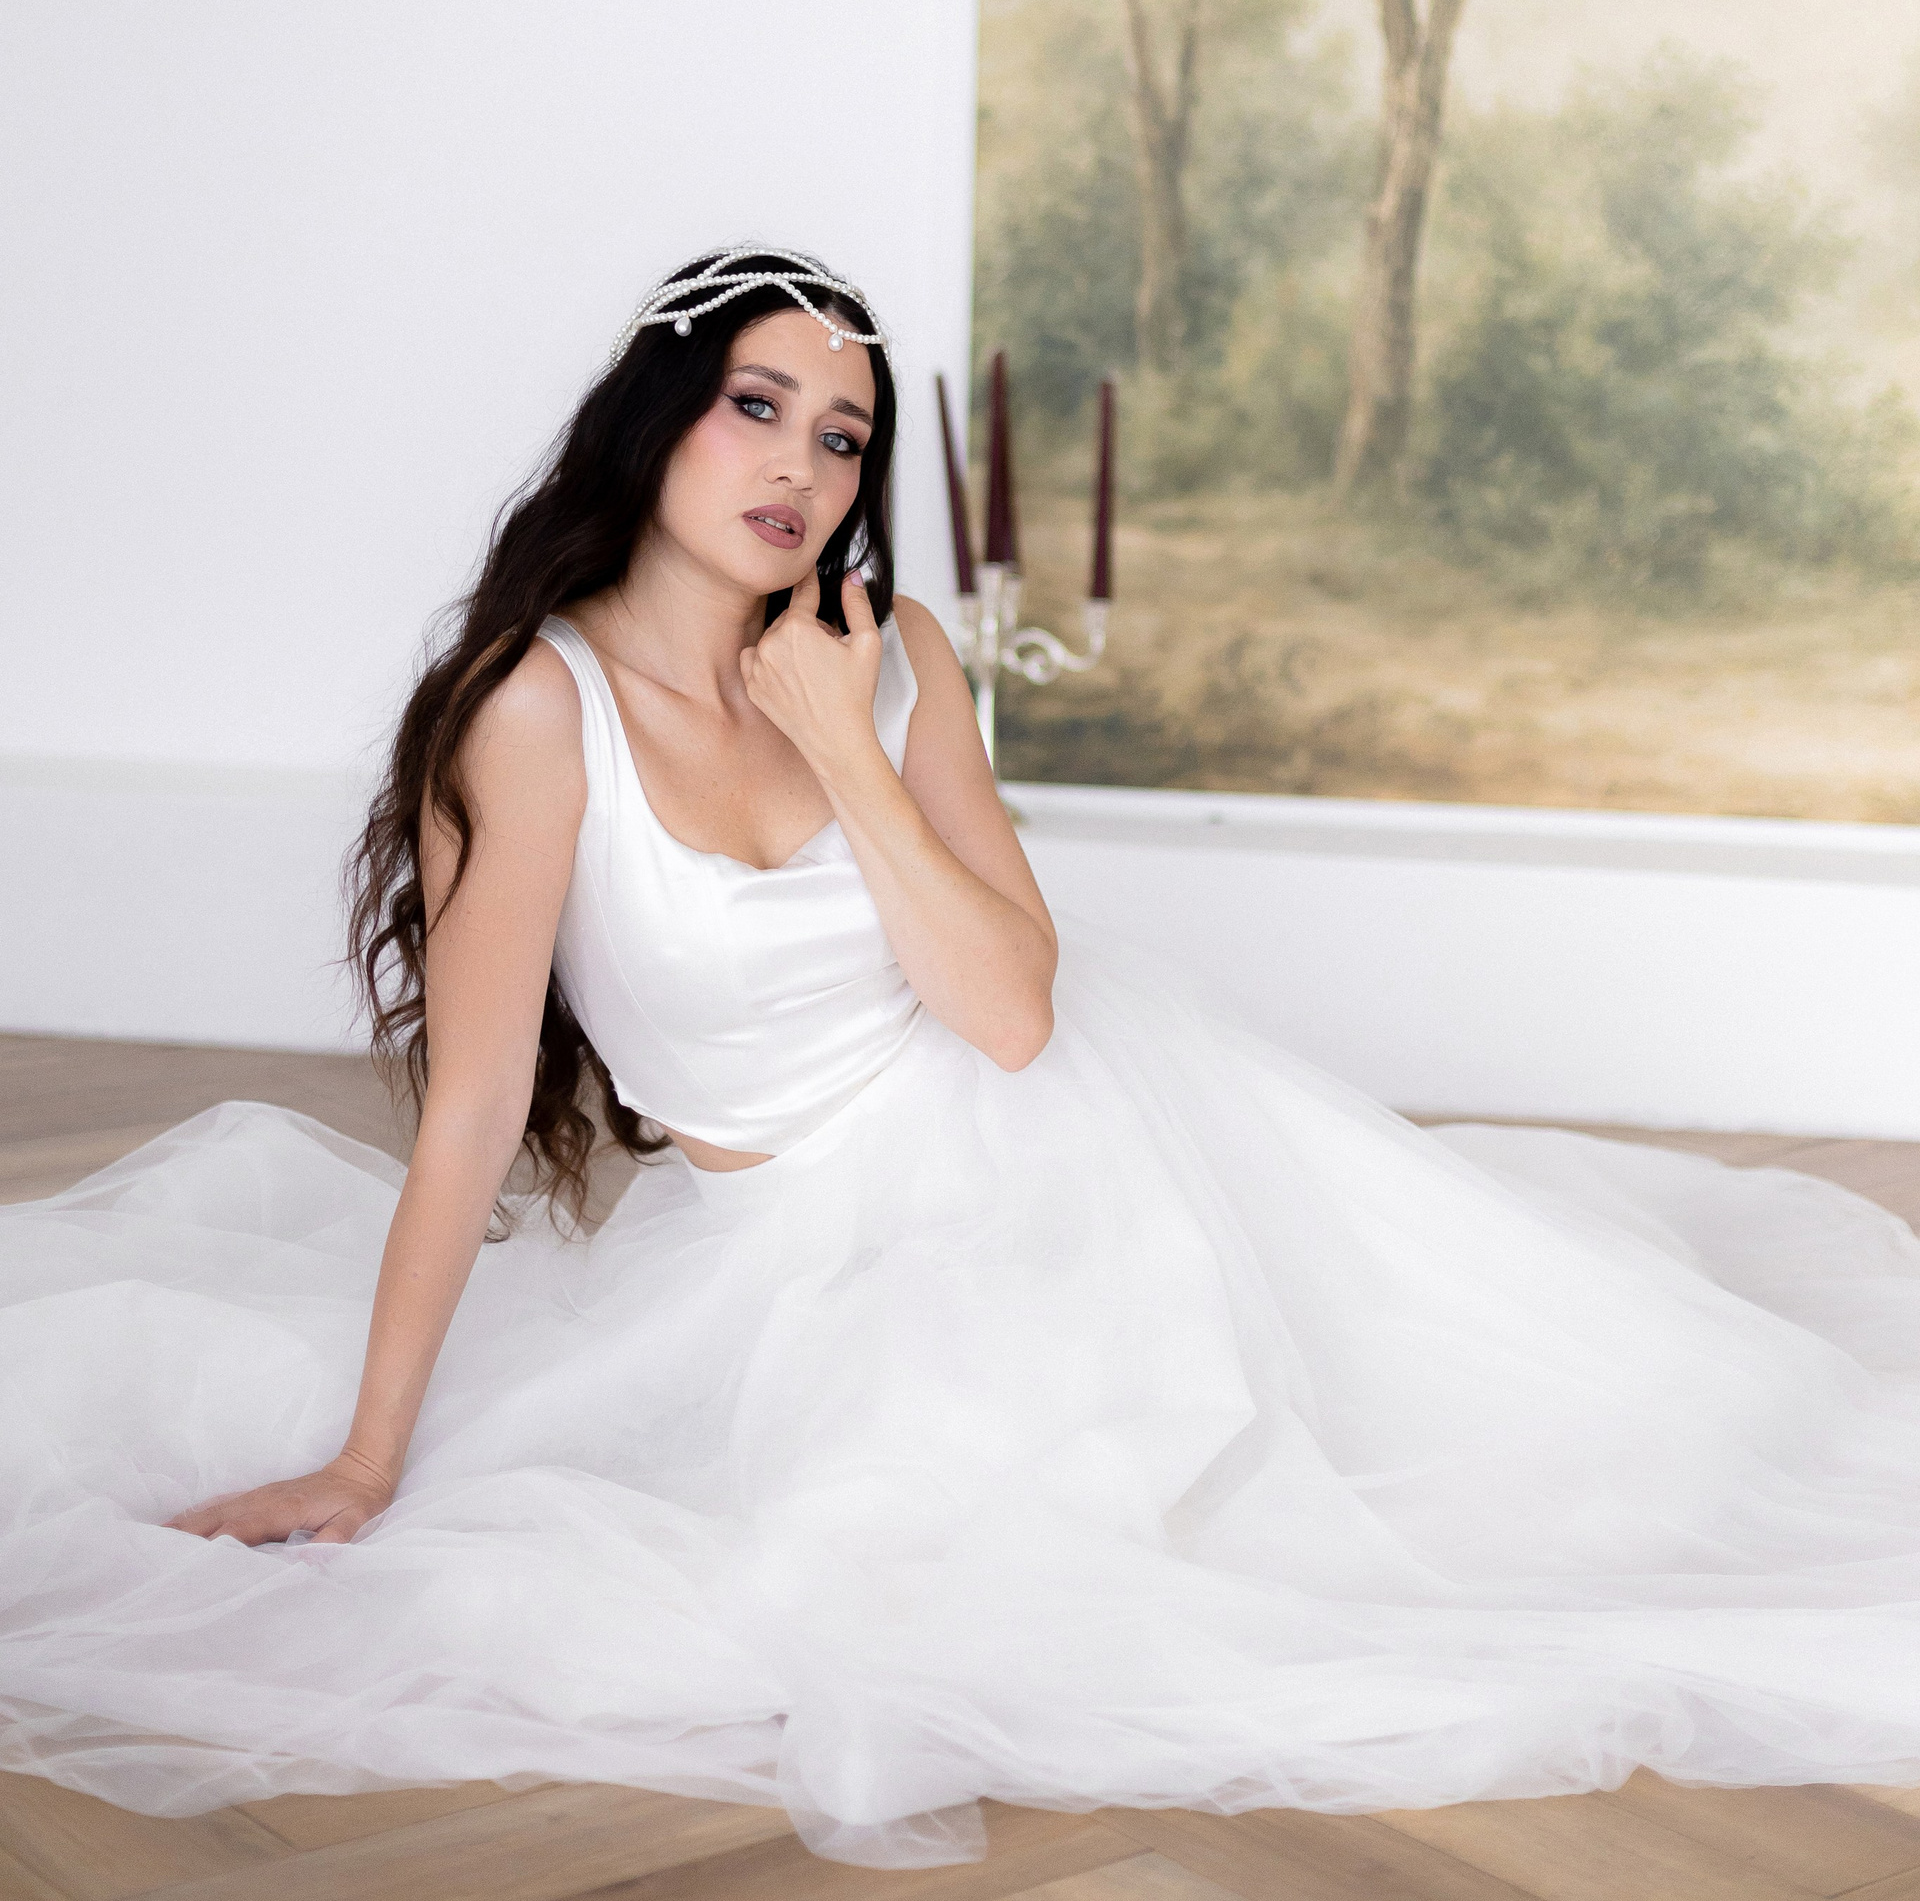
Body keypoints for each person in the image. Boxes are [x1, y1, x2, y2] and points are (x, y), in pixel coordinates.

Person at [3, 243, 1919, 1871]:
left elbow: (1010, 1011)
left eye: (843, 436)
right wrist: (367, 1455)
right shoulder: (536, 707)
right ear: (654, 419)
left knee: (1463, 1469)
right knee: (893, 1553)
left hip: (1079, 1139)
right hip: (796, 1243)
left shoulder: (889, 645)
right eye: (758, 407)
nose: (801, 467)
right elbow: (483, 1100)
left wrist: (844, 735)